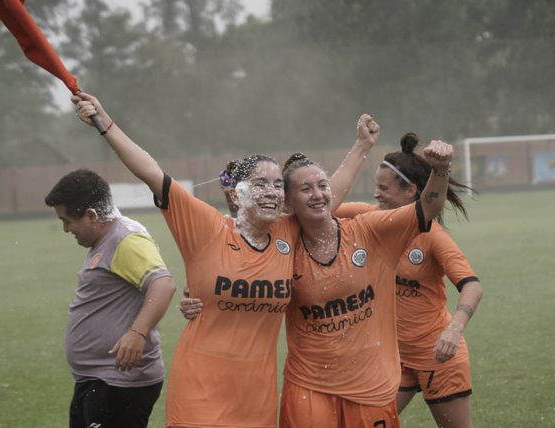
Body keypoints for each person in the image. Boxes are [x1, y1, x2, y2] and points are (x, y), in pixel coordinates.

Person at [72, 92, 378, 427]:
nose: (272, 191)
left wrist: (362, 146)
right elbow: (151, 172)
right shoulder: (206, 229)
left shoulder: (288, 233)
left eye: (278, 185)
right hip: (200, 392)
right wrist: (106, 123)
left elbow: (329, 195)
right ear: (237, 193)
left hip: (256, 399)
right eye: (260, 183)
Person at [278, 134, 453, 427]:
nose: (318, 195)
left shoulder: (368, 230)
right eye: (305, 189)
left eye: (322, 186)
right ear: (287, 201)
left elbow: (427, 208)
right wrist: (199, 297)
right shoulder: (281, 242)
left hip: (369, 385)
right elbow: (241, 267)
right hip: (309, 385)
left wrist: (441, 169)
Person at [332, 132, 483, 428]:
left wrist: (454, 330)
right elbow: (321, 208)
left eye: (383, 188)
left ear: (411, 191)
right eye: (375, 186)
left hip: (438, 357)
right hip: (393, 358)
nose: (376, 194)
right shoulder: (367, 217)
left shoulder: (433, 237)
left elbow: (472, 286)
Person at [44, 168, 176, 428]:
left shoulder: (125, 240)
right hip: (98, 380)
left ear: (92, 216)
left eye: (67, 220)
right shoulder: (107, 240)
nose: (65, 229)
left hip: (117, 384)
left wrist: (137, 333)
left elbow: (163, 285)